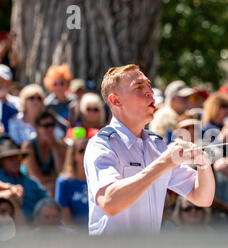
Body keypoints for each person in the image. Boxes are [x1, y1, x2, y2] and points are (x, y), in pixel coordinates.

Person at [84, 64, 215, 235]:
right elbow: (110, 202)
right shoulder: (102, 145)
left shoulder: (156, 145)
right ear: (116, 100)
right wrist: (162, 164)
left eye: (149, 86)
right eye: (139, 87)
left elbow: (202, 197)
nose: (150, 92)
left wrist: (203, 162)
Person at [0, 135, 47, 220]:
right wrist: (9, 193)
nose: (16, 161)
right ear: (1, 162)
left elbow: (47, 203)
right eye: (10, 158)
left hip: (36, 227)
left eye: (18, 157)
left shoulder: (32, 182)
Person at [21, 111, 67, 197]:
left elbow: (61, 172)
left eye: (52, 125)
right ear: (37, 128)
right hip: (30, 187)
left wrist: (54, 147)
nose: (50, 129)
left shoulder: (60, 146)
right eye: (46, 126)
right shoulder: (28, 146)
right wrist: (54, 181)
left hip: (51, 187)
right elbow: (35, 177)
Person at [55, 137, 89, 229]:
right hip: (75, 235)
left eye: (89, 149)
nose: (86, 153)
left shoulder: (101, 178)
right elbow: (65, 219)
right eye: (81, 150)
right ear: (73, 156)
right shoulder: (64, 182)